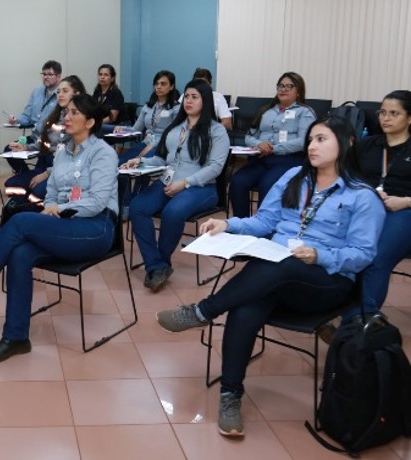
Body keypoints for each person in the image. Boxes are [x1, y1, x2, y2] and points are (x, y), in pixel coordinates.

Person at [155, 115, 384, 438]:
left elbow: (363, 254)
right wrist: (228, 225)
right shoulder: (294, 177)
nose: (312, 146)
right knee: (248, 304)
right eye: (310, 140)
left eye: (321, 139)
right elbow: (264, 221)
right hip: (276, 275)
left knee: (283, 264)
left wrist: (320, 254)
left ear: (346, 144)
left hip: (326, 282)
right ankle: (230, 395)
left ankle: (203, 311)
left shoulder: (361, 196)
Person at [0, 94, 117, 363]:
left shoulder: (103, 153)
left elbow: (97, 202)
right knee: (20, 254)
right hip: (64, 225)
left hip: (96, 229)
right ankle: (16, 337)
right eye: (67, 112)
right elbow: (50, 194)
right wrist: (53, 207)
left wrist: (59, 210)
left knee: (19, 221)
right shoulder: (62, 153)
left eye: (74, 113)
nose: (67, 117)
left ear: (91, 121)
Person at [126, 79, 229, 292]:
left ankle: (159, 264)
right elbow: (162, 160)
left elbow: (215, 168)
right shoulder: (175, 129)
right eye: (187, 97)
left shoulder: (217, 131)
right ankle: (157, 266)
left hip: (202, 188)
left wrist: (185, 183)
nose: (188, 101)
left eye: (194, 97)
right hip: (168, 182)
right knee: (137, 207)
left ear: (206, 101)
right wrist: (141, 161)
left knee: (172, 213)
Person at [340, 90, 411, 323]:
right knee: (337, 244)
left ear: (409, 118)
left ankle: (358, 323)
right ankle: (333, 306)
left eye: (394, 113)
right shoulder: (367, 145)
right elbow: (346, 177)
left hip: (403, 210)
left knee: (375, 257)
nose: (385, 118)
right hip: (366, 207)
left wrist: (406, 201)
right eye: (382, 112)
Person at [228, 72, 316, 218]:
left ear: (298, 92)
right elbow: (249, 136)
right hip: (262, 158)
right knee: (238, 182)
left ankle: (264, 231)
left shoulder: (304, 112)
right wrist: (260, 144)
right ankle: (242, 226)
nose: (283, 89)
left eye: (289, 86)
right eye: (281, 86)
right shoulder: (266, 110)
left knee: (267, 185)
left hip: (289, 160)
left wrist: (274, 149)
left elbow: (304, 141)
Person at [4, 75, 86, 203]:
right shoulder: (55, 115)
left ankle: (41, 212)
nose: (60, 95)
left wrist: (46, 174)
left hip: (63, 171)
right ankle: (26, 210)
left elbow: (75, 161)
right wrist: (25, 147)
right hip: (45, 164)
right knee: (12, 185)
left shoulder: (81, 121)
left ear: (77, 94)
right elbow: (44, 142)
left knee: (37, 192)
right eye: (58, 91)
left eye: (65, 91)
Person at [4, 60, 61, 173]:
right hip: (35, 138)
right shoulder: (37, 92)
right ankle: (25, 175)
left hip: (50, 141)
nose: (46, 77)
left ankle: (33, 178)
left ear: (59, 76)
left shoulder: (62, 94)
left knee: (47, 164)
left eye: (50, 74)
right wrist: (16, 120)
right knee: (9, 149)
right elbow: (27, 115)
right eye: (44, 74)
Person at [118, 70, 180, 163]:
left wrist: (153, 145)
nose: (158, 87)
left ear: (171, 87)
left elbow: (174, 135)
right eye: (156, 84)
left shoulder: (176, 108)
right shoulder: (148, 106)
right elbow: (136, 129)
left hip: (164, 145)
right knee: (119, 161)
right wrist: (121, 129)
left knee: (142, 163)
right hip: (147, 142)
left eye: (163, 84)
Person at [92, 64, 124, 132]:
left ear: (112, 78)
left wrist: (96, 123)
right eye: (100, 74)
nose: (102, 77)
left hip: (117, 125)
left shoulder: (116, 93)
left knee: (94, 128)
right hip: (102, 124)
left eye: (106, 75)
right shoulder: (97, 92)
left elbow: (112, 118)